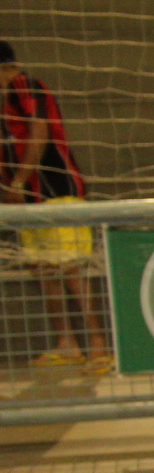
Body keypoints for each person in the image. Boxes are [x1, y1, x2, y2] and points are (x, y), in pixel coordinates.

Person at [0, 41, 108, 369]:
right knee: (43, 269)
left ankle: (98, 345)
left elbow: (39, 132)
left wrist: (18, 181)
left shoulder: (26, 86)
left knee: (71, 268)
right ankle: (67, 344)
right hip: (26, 198)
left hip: (56, 190)